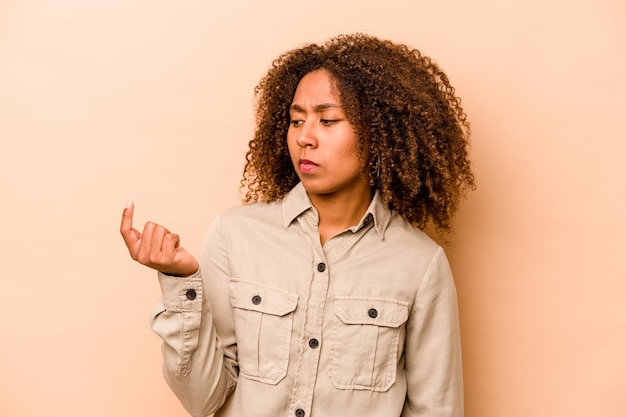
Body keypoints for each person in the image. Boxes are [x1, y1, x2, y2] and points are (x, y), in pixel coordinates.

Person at [120, 33, 475, 417]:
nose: (304, 137)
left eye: (327, 120)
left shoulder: (419, 264)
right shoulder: (234, 236)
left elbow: (437, 409)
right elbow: (202, 399)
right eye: (296, 120)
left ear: (378, 133)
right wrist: (179, 282)